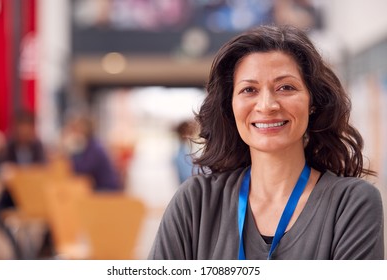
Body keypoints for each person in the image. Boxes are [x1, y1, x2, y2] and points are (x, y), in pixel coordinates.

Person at [149, 25, 384, 260]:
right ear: (230, 107)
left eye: (285, 87)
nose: (267, 105)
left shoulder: (351, 203)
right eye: (249, 89)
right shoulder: (196, 201)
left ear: (313, 102)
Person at [61, 112, 121, 192]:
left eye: (77, 128)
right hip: (100, 188)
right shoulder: (90, 145)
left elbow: (81, 169)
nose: (75, 132)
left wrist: (69, 152)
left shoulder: (95, 148)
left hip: (107, 191)